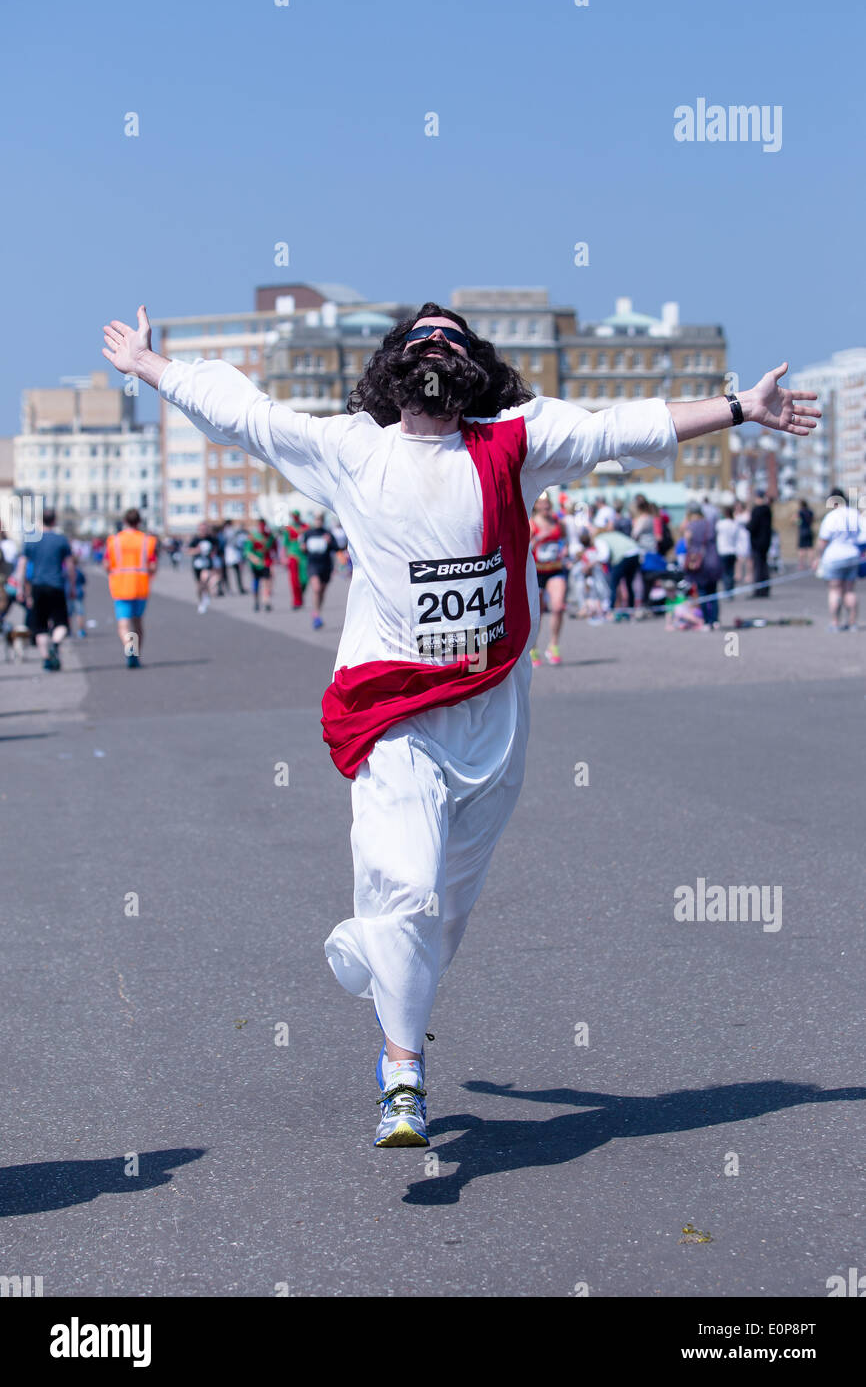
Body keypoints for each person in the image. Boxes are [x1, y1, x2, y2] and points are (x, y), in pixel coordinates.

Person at [104, 301, 819, 1148]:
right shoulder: (351, 450)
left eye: (450, 339)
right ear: (392, 368)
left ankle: (376, 954)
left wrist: (741, 408)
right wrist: (153, 372)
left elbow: (625, 426)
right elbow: (245, 413)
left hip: (493, 719)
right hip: (396, 710)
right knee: (405, 883)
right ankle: (402, 1074)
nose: (434, 348)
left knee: (438, 914)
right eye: (420, 340)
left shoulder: (516, 441)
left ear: (474, 368)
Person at [13, 508, 76, 671]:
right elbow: (70, 566)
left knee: (39, 625)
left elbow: (21, 566)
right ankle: (55, 644)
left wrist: (20, 589)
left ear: (41, 521)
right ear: (54, 521)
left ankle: (46, 658)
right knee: (61, 623)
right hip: (56, 586)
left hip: (37, 586)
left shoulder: (31, 540)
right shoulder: (61, 540)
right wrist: (73, 586)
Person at [102, 509, 158, 666]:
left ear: (124, 522)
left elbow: (106, 564)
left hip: (120, 586)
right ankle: (135, 653)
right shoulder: (147, 540)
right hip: (140, 585)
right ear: (139, 522)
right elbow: (153, 565)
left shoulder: (114, 541)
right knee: (137, 622)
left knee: (124, 623)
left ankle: (129, 648)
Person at [528, 492, 569, 664]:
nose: (546, 508)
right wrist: (538, 539)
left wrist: (565, 550)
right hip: (536, 572)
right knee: (537, 613)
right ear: (536, 505)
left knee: (558, 607)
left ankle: (553, 645)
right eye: (542, 504)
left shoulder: (557, 523)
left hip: (555, 569)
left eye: (548, 505)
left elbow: (565, 541)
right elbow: (524, 547)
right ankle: (533, 647)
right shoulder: (531, 524)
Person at [814, 488, 862, 631]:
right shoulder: (855, 514)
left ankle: (835, 623)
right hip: (853, 556)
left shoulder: (832, 517)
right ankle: (852, 622)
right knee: (849, 590)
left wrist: (817, 557)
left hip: (834, 557)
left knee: (835, 591)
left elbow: (823, 540)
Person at [681, 501, 721, 627]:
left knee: (702, 592)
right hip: (713, 560)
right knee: (713, 592)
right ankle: (715, 620)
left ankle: (707, 621)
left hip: (699, 562)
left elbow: (686, 543)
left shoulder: (691, 526)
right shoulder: (709, 524)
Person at [301, 512, 340, 629]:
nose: (318, 521)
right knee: (316, 589)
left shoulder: (327, 533)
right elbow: (303, 548)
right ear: (314, 520)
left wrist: (330, 542)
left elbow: (337, 548)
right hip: (313, 565)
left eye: (320, 519)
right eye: (316, 519)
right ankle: (317, 615)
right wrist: (303, 548)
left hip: (326, 566)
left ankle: (317, 612)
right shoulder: (308, 533)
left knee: (322, 592)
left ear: (323, 521)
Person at [245, 517, 277, 612]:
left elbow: (273, 548)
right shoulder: (253, 536)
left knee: (267, 582)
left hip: (266, 561)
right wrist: (253, 557)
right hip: (255, 563)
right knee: (256, 583)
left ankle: (266, 601)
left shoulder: (269, 536)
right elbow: (247, 550)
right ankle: (256, 602)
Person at [188, 522, 219, 612]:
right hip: (197, 565)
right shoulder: (195, 540)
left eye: (205, 529)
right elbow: (189, 551)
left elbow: (216, 550)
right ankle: (202, 600)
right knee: (199, 587)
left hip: (207, 565)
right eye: (201, 529)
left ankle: (207, 595)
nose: (203, 531)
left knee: (204, 579)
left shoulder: (212, 539)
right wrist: (197, 550)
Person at [747, 490, 773, 597]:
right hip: (766, 541)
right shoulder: (767, 510)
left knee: (758, 567)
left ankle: (758, 590)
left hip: (757, 542)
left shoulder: (756, 510)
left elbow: (752, 526)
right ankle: (765, 589)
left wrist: (746, 526)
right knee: (764, 566)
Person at [715, 504, 739, 596]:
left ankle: (727, 591)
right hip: (732, 550)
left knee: (725, 572)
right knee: (731, 572)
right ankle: (730, 590)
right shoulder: (734, 523)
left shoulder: (721, 524)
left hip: (723, 550)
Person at [221, 522, 246, 594]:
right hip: (229, 554)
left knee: (237, 572)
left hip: (234, 555)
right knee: (229, 573)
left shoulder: (233, 532)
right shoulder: (227, 533)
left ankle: (239, 587)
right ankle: (228, 588)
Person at [795, 498, 815, 570]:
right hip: (809, 530)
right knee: (810, 548)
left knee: (801, 549)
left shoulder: (800, 512)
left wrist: (797, 522)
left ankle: (801, 565)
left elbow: (797, 522)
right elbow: (813, 520)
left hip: (802, 531)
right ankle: (812, 564)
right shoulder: (810, 512)